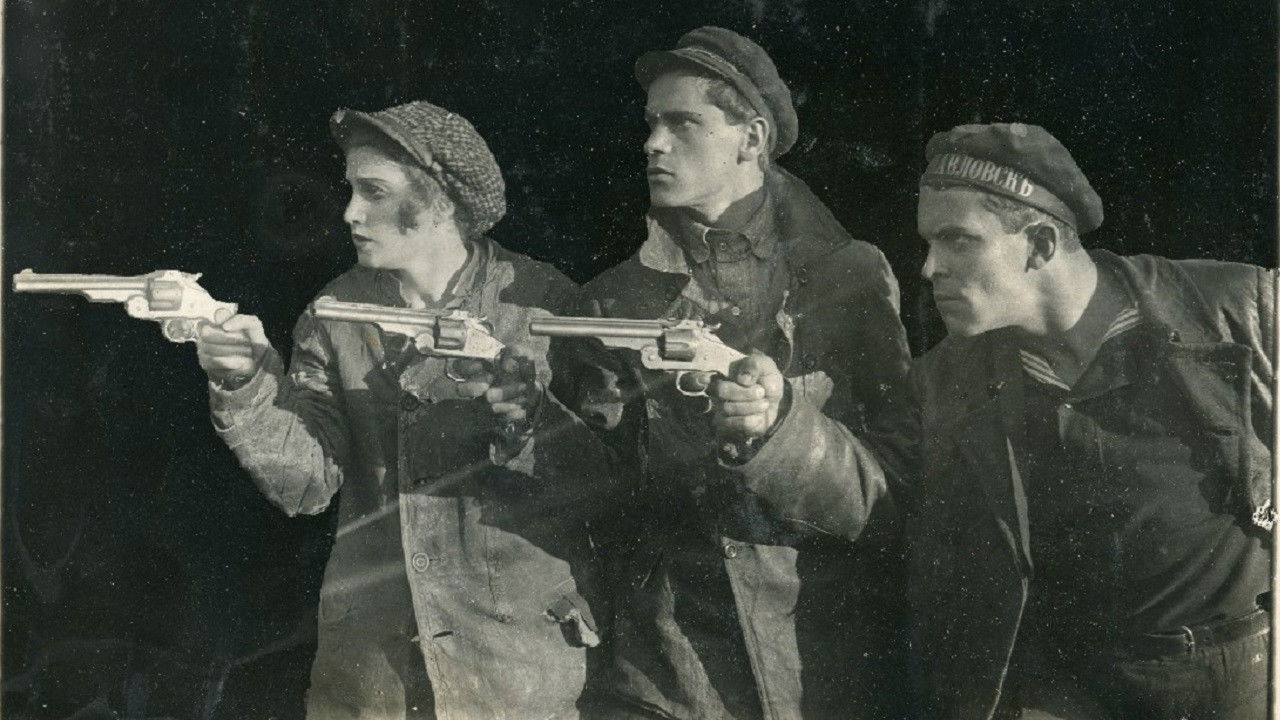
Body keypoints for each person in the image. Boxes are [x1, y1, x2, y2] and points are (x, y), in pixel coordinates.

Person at [711, 122, 1274, 719]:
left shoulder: (1237, 311)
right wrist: (779, 424)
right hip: (1065, 690)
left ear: (1040, 246)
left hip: (1236, 679)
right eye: (930, 243)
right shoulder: (949, 379)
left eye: (957, 240)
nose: (929, 268)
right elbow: (881, 489)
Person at [196, 100, 614, 720]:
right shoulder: (335, 312)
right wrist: (244, 382)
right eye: (351, 189)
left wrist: (532, 419)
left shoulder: (542, 305)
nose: (349, 212)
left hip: (513, 667)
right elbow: (305, 484)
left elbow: (610, 487)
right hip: (375, 674)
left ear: (441, 202)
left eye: (374, 192)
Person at [550, 27, 914, 719]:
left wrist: (781, 432)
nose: (653, 144)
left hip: (819, 660)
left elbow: (893, 491)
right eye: (651, 124)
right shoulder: (613, 301)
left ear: (751, 138)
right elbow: (597, 497)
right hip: (669, 674)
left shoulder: (847, 278)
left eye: (681, 123)